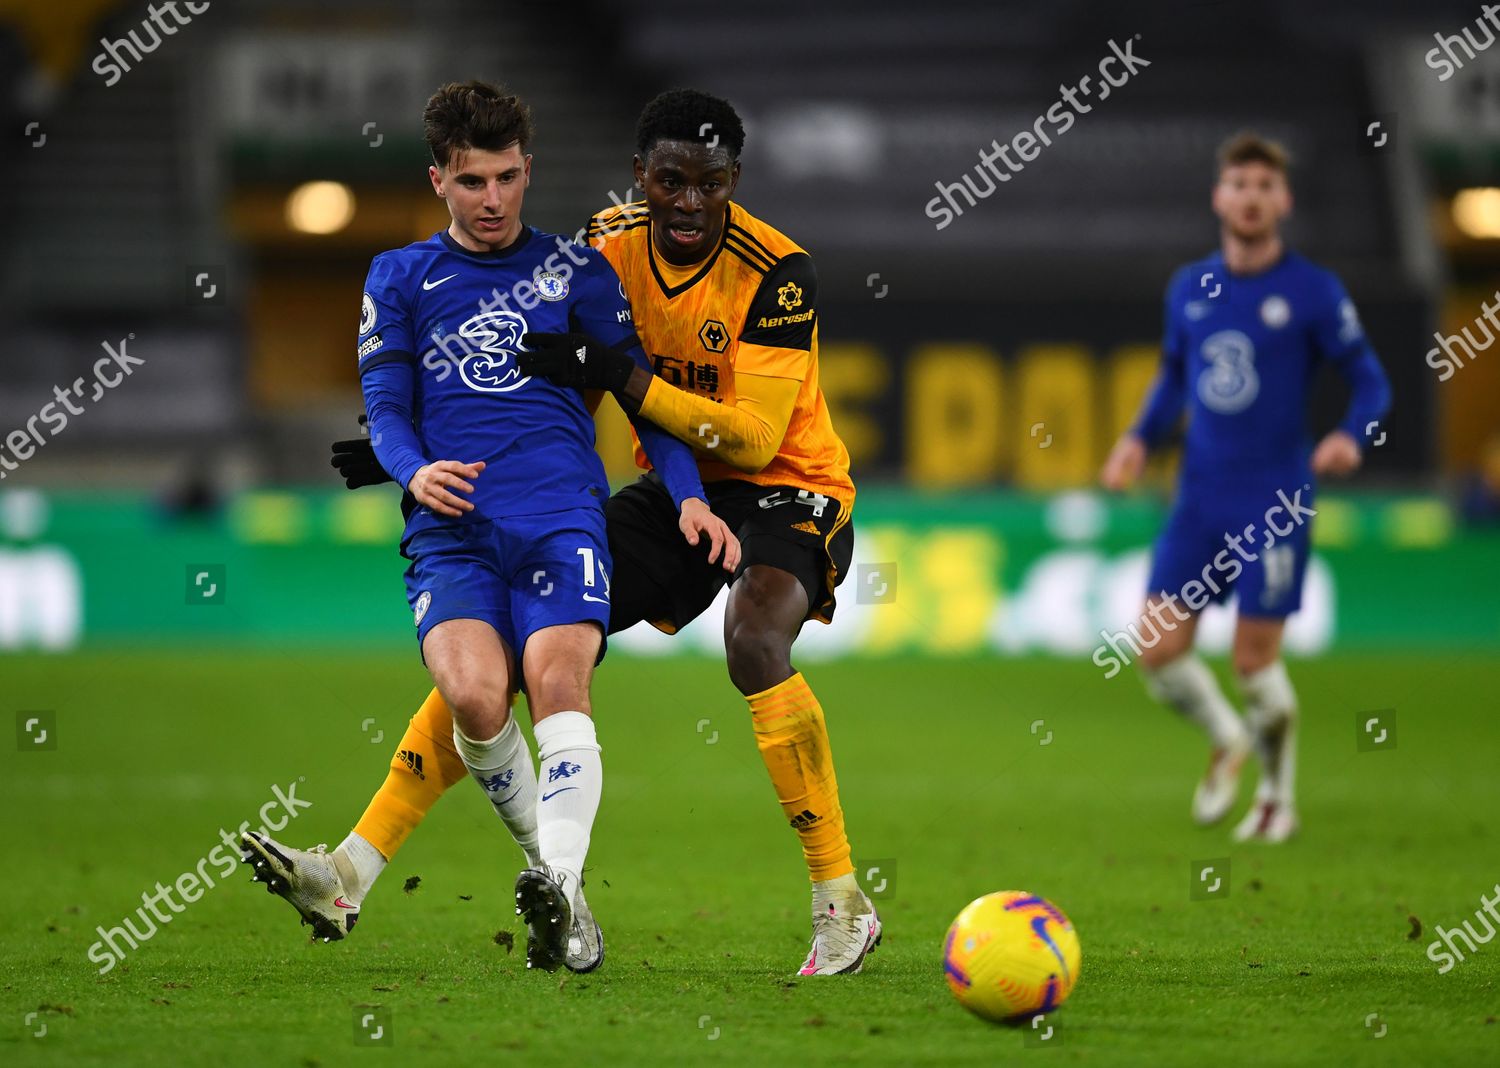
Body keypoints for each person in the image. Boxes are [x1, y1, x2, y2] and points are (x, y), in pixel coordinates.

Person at [287, 88, 880, 976]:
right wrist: (416, 453)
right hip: (677, 484)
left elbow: (754, 437)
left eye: (710, 184)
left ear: (735, 182)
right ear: (641, 179)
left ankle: (841, 901)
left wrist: (617, 378)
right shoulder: (603, 246)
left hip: (786, 484)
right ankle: (354, 866)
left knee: (754, 638)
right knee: (528, 645)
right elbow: (530, 369)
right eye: (670, 181)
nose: (689, 202)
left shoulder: (778, 269)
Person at [241, 81, 736, 974]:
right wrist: (412, 468)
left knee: (556, 681)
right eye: (473, 182)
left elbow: (641, 400)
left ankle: (553, 887)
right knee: (472, 696)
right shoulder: (398, 277)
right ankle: (565, 897)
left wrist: (689, 491)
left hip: (559, 519)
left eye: (508, 178)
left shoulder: (579, 271)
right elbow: (386, 408)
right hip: (452, 526)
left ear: (528, 169)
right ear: (439, 180)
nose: (495, 200)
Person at [1099, 131, 1392, 842]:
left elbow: (1371, 382)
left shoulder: (1313, 292)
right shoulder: (1191, 288)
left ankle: (1276, 800)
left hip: (1275, 499)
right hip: (1199, 497)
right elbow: (1174, 373)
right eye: (1239, 184)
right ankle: (1228, 739)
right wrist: (1140, 437)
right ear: (1219, 197)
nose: (1251, 197)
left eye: (1265, 186)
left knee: (1254, 663)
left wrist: (1352, 434)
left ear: (1283, 200)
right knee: (1157, 651)